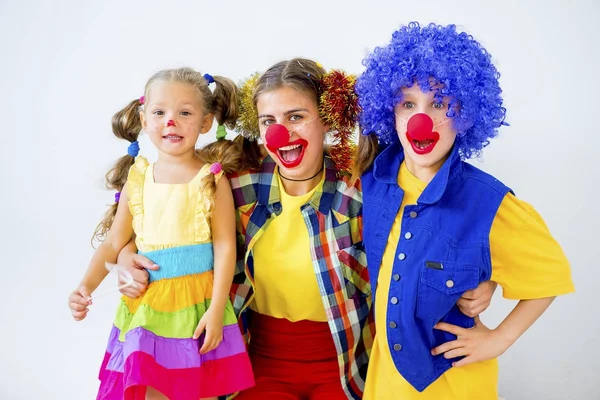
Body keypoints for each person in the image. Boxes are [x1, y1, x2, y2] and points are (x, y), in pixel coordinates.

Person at [118, 58, 496, 399]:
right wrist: (125, 256)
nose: (282, 133)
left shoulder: (364, 185)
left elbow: (432, 237)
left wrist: (486, 281)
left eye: (296, 117)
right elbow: (157, 216)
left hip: (346, 360)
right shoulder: (232, 181)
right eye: (269, 122)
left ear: (327, 120)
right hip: (259, 358)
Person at [353, 22, 575, 400]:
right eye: (408, 103)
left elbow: (551, 274)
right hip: (385, 381)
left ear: (466, 113)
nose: (422, 119)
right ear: (389, 110)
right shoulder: (372, 181)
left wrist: (500, 338)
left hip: (454, 384)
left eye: (439, 104)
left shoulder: (488, 203)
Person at [67, 67, 254, 400]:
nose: (172, 121)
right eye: (160, 112)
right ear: (144, 118)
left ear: (206, 122)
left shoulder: (211, 179)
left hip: (198, 304)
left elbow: (225, 246)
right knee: (153, 391)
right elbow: (114, 243)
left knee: (198, 391)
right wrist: (85, 286)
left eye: (185, 113)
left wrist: (216, 310)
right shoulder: (137, 181)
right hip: (148, 307)